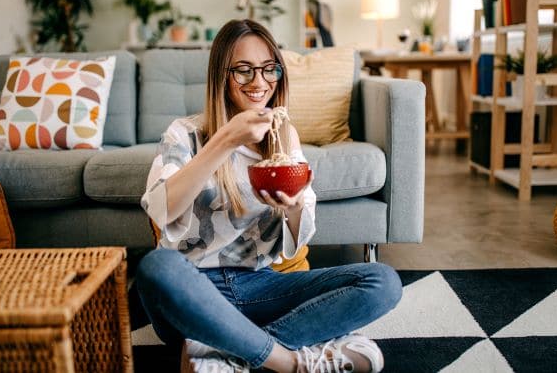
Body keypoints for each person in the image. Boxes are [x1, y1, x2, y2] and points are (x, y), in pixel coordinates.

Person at [136, 19, 402, 373]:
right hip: (193, 291)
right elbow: (161, 211)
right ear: (221, 76)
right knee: (156, 267)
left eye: (268, 69)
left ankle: (228, 354)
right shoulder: (184, 134)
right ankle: (289, 361)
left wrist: (292, 208)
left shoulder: (283, 137)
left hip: (260, 286)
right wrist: (225, 139)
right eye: (244, 71)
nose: (259, 83)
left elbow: (299, 233)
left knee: (381, 281)